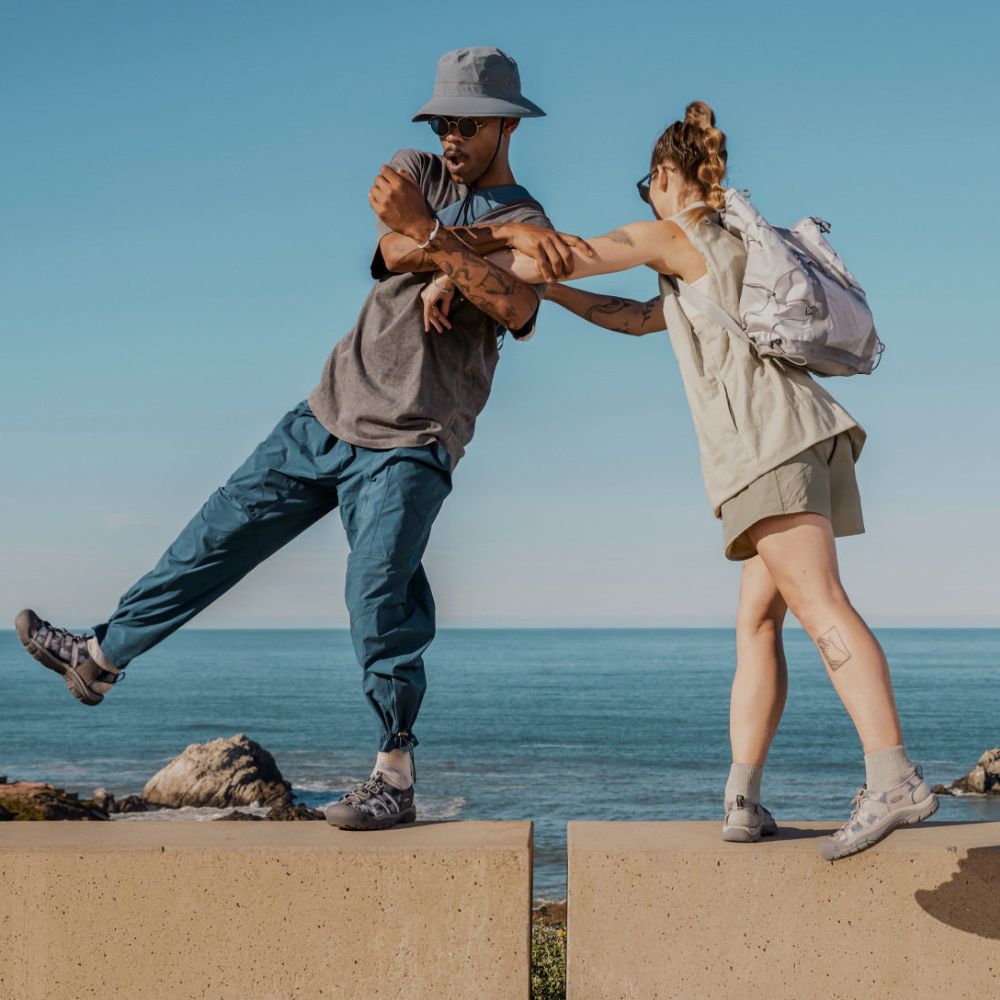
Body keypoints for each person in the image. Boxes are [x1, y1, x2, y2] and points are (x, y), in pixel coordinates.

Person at [15, 46, 578, 832]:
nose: (449, 134)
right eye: (442, 119)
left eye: (467, 123)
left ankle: (394, 775)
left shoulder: (538, 223)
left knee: (378, 595)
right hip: (325, 413)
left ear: (504, 126)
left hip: (411, 444)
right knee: (211, 538)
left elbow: (518, 310)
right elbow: (388, 245)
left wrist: (448, 249)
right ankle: (99, 658)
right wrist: (459, 248)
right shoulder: (418, 168)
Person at [415, 101, 937, 860]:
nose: (645, 200)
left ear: (665, 177)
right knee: (758, 622)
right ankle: (744, 798)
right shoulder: (722, 251)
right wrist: (550, 294)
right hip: (804, 439)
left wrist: (458, 271)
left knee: (821, 604)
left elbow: (568, 253)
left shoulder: (677, 232)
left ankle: (892, 779)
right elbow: (632, 318)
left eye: (646, 184)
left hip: (766, 446)